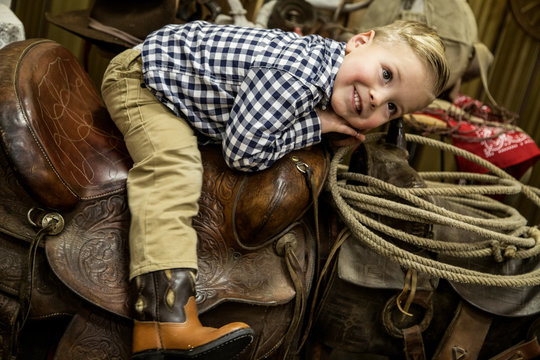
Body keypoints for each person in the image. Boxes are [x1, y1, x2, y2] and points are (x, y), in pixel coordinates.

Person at [101, 19, 449, 360]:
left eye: (392, 107)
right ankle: (163, 321)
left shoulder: (325, 70)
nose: (377, 98)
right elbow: (243, 154)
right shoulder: (294, 75)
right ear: (359, 42)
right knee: (172, 171)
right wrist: (318, 124)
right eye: (386, 75)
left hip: (181, 82)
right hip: (145, 80)